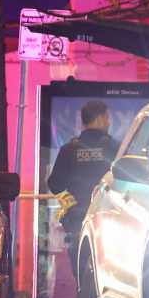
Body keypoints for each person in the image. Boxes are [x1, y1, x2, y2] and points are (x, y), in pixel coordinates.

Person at [47, 101, 120, 266]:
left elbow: (54, 183)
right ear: (100, 118)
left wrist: (69, 202)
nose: (108, 122)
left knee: (80, 266)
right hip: (108, 218)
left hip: (77, 220)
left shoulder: (69, 149)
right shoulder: (115, 148)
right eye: (107, 118)